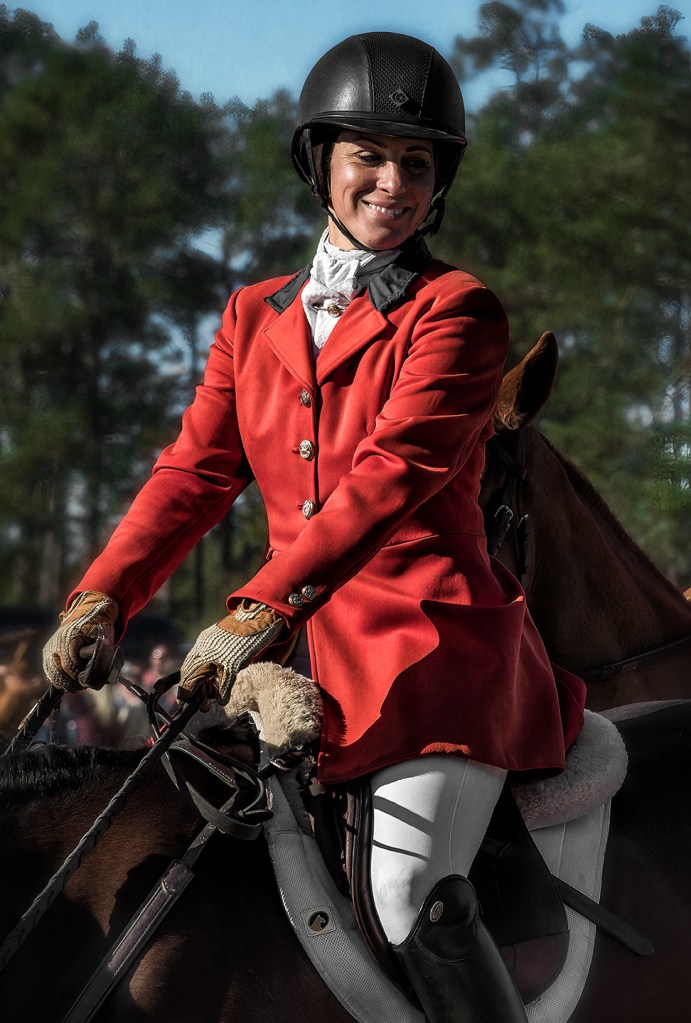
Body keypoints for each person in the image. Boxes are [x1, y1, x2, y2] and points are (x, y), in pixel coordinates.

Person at [43, 32, 586, 1022]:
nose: (392, 183)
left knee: (405, 896)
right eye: (368, 157)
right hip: (289, 662)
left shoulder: (458, 310)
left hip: (427, 658)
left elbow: (391, 476)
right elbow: (195, 470)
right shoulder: (252, 313)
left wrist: (256, 608)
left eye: (415, 162)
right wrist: (103, 594)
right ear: (319, 163)